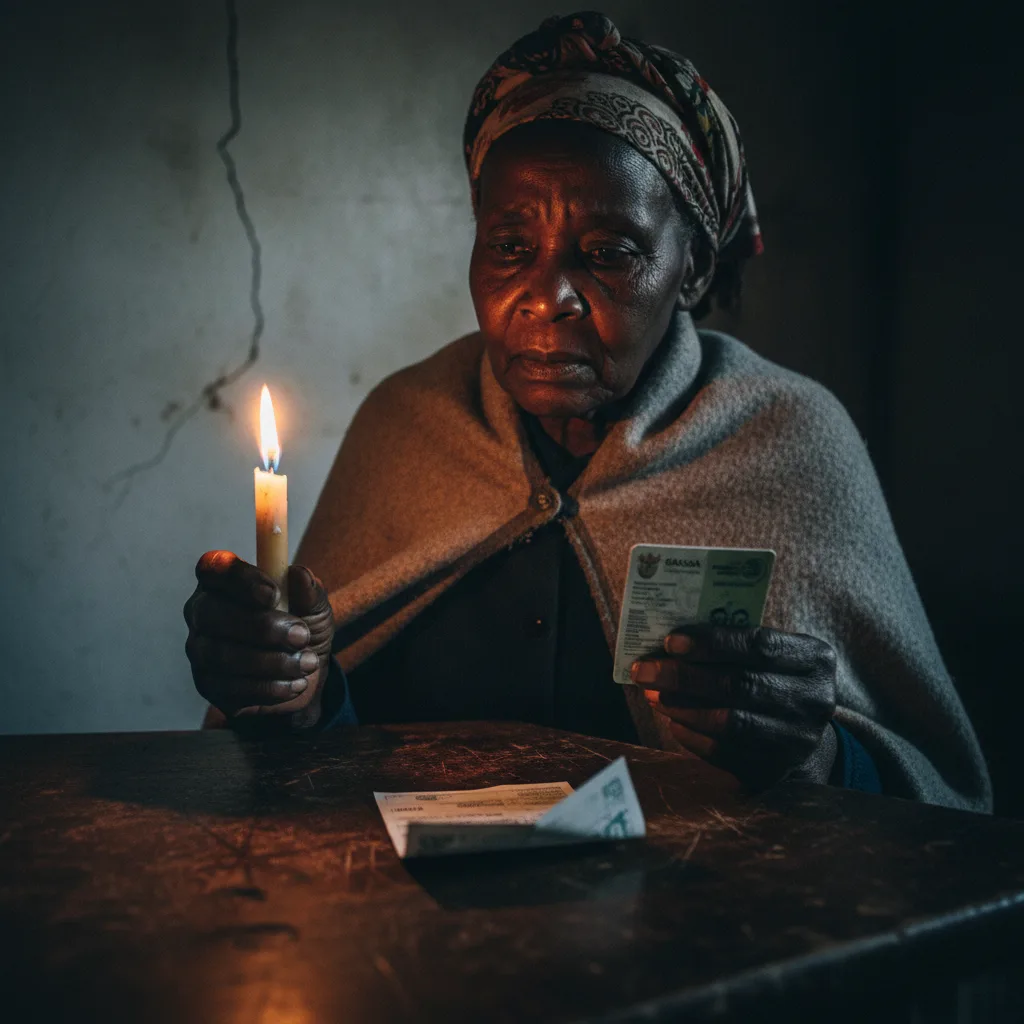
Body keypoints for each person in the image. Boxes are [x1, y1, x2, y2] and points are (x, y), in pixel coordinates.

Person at [183, 12, 990, 811]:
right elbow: (321, 755)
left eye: (608, 253)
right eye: (508, 247)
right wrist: (293, 692)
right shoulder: (411, 418)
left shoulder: (787, 436)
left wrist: (816, 754)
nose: (546, 298)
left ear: (694, 269)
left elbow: (929, 797)